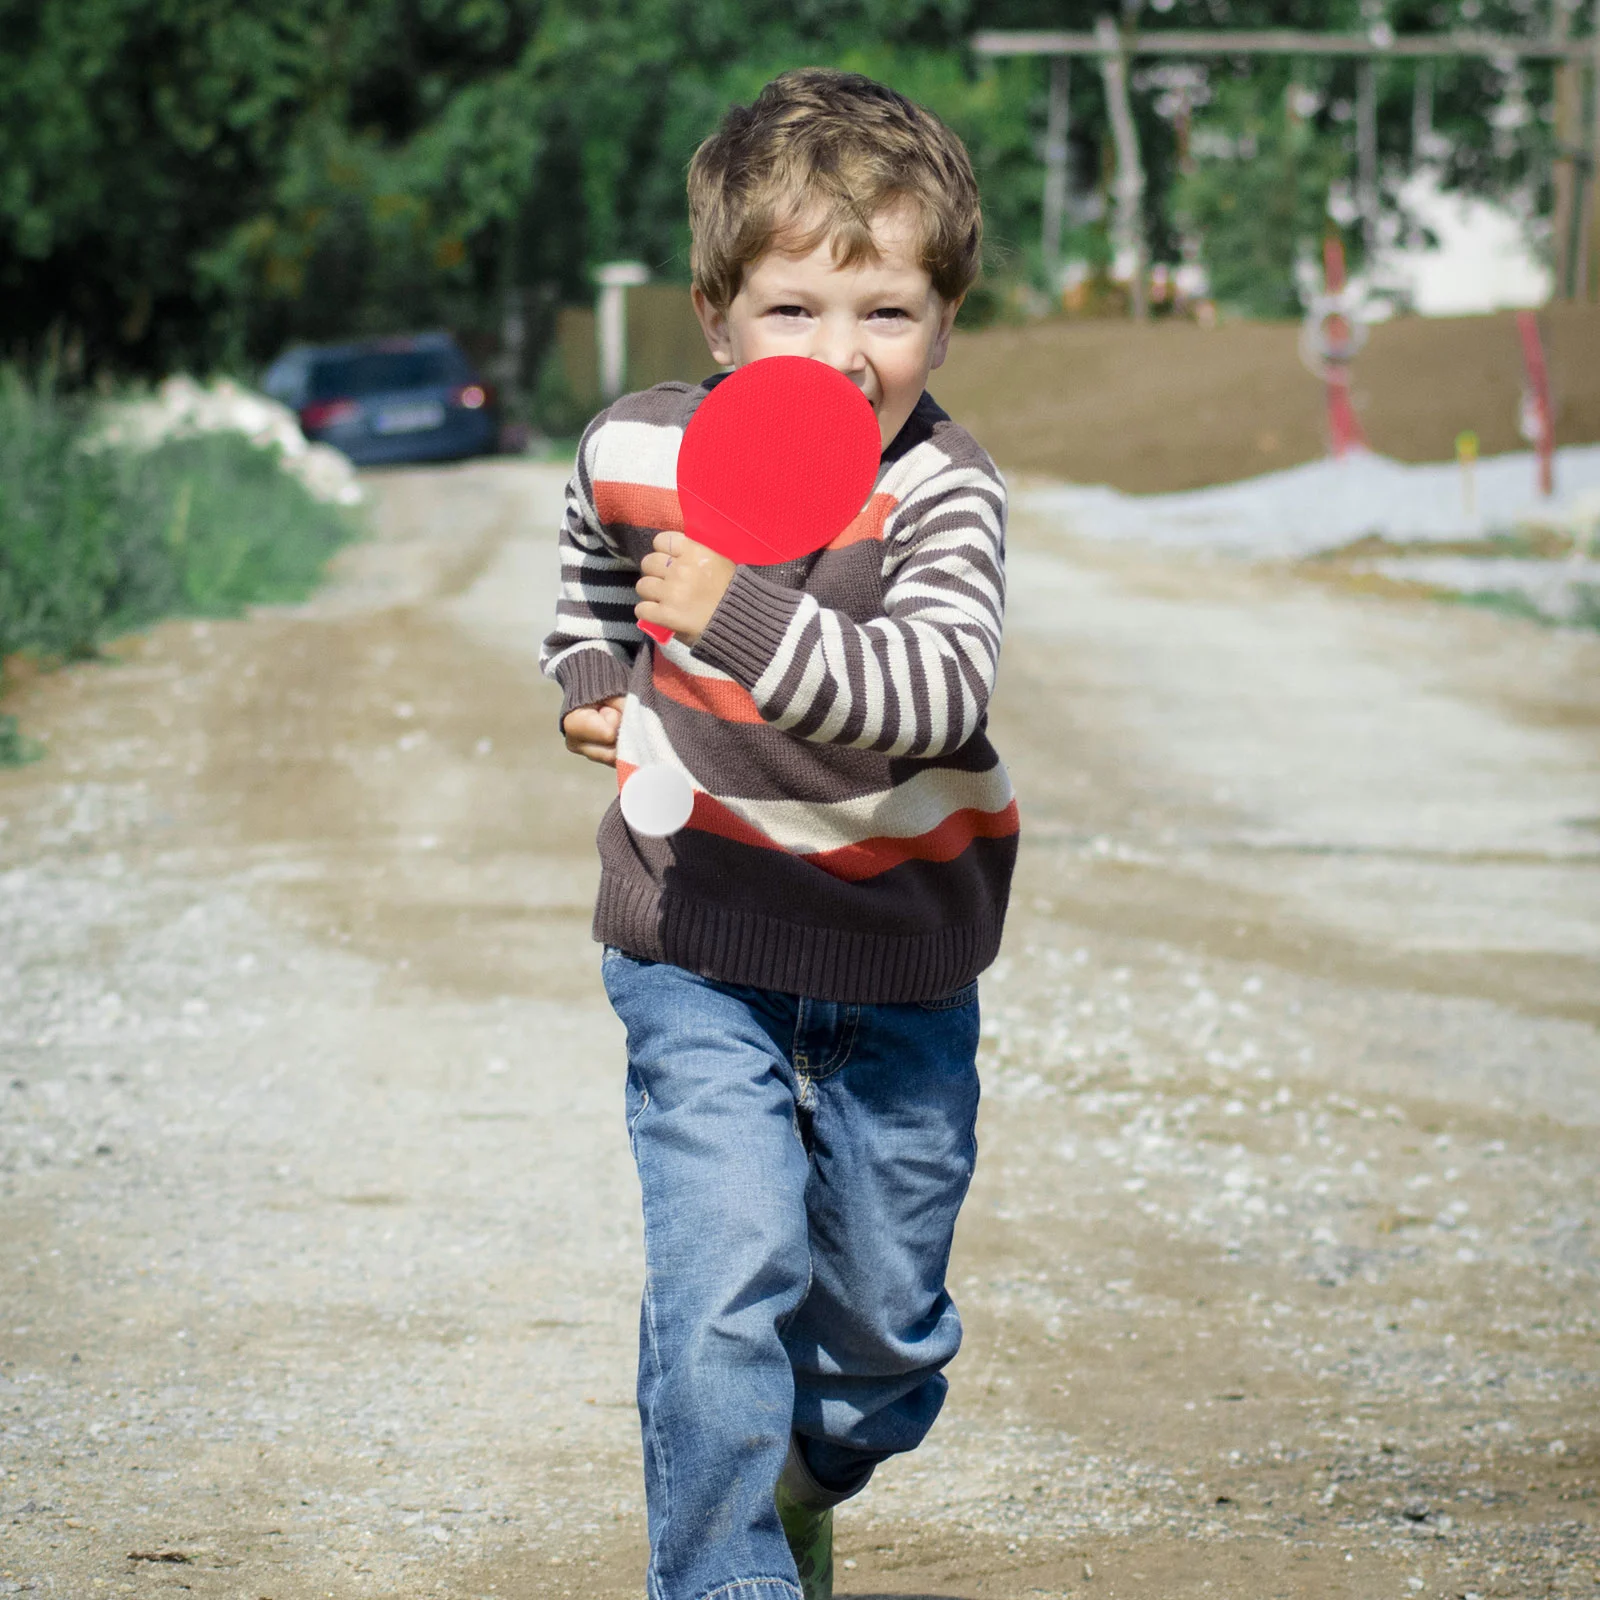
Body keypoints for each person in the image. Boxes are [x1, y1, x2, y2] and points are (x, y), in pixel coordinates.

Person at [540, 67, 1016, 1600]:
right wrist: (597, 681)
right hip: (698, 944)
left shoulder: (943, 491)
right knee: (724, 1281)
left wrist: (738, 615)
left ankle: (804, 1473)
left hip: (896, 961)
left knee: (885, 1353)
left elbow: (934, 693)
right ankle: (725, 1570)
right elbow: (590, 569)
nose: (841, 353)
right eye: (796, 309)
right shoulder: (640, 449)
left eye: (886, 312)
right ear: (716, 316)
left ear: (944, 321)